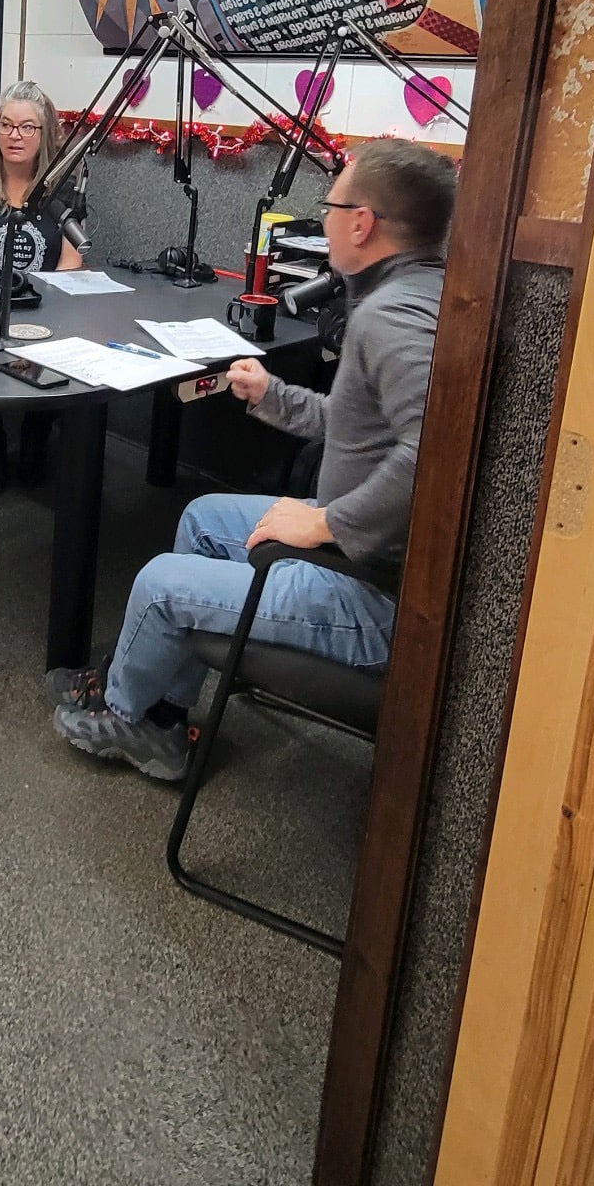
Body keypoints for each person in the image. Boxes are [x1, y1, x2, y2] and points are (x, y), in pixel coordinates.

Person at [51, 138, 457, 781]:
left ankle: (126, 714)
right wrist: (273, 396)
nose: (323, 220)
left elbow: (435, 449)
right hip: (359, 549)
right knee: (203, 519)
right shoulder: (420, 290)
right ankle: (164, 718)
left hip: (372, 593)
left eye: (330, 208)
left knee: (158, 582)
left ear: (362, 223)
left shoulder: (392, 316)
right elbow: (360, 427)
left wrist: (325, 523)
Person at [0, 80, 83, 492]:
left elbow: (72, 261)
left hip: (43, 310)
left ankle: (37, 435)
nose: (14, 136)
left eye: (26, 127)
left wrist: (49, 307)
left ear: (45, 133)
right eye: (6, 125)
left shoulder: (63, 189)